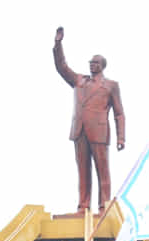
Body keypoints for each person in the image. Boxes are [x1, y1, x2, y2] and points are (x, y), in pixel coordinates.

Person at [53, 26, 125, 213]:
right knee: (83, 172)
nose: (91, 64)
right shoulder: (79, 81)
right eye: (90, 62)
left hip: (99, 132)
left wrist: (121, 137)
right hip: (79, 131)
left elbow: (119, 113)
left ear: (102, 65)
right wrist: (58, 44)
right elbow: (62, 67)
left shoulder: (111, 86)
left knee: (103, 171)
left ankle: (104, 206)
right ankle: (83, 206)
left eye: (95, 62)